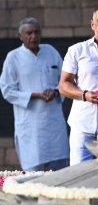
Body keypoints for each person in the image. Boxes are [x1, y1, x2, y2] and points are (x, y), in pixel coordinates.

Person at [0, 17, 69, 171]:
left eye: (36, 32)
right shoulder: (13, 58)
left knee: (61, 174)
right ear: (20, 37)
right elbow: (7, 90)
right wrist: (36, 95)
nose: (33, 36)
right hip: (30, 127)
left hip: (54, 124)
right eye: (29, 33)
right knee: (33, 175)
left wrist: (56, 92)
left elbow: (66, 80)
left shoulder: (50, 51)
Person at [59, 2, 98, 165]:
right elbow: (63, 85)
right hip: (82, 125)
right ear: (92, 24)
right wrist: (85, 95)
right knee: (78, 176)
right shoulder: (77, 50)